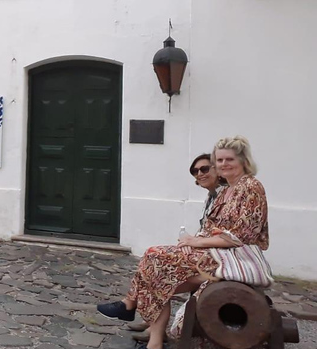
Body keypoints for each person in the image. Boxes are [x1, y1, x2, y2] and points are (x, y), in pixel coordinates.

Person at [97, 136, 269, 349]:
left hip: (233, 258)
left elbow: (242, 236)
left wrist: (196, 242)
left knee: (153, 256)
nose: (224, 164)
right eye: (220, 160)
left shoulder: (250, 186)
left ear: (243, 160)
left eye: (229, 159)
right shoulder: (229, 189)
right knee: (155, 273)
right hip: (217, 253)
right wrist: (196, 241)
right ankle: (154, 338)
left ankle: (131, 306)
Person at [130, 152, 227, 342]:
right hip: (204, 253)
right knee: (153, 267)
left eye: (204, 169)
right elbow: (207, 231)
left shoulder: (225, 197)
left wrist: (194, 243)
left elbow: (223, 236)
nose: (199, 174)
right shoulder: (212, 197)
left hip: (217, 259)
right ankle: (153, 325)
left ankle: (149, 326)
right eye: (195, 171)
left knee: (154, 263)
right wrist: (190, 241)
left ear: (218, 170)